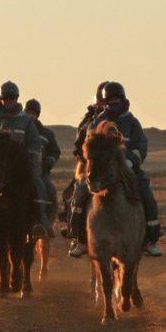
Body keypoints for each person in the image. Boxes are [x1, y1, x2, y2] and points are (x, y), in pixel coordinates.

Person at [70, 81, 163, 257]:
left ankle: (151, 239)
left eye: (116, 99)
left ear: (123, 100)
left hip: (127, 169)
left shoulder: (132, 122)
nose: (113, 103)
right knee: (80, 194)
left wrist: (131, 161)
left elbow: (141, 145)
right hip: (102, 169)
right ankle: (80, 239)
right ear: (104, 102)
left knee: (146, 194)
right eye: (109, 100)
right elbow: (87, 145)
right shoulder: (97, 121)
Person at [0, 81, 49, 240]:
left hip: (19, 168)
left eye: (12, 98)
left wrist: (30, 159)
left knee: (38, 184)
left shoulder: (25, 121)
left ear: (17, 98)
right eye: (6, 98)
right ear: (0, 99)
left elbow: (34, 142)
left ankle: (38, 222)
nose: (9, 101)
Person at [66, 82, 108, 256]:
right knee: (78, 195)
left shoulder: (123, 118)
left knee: (140, 191)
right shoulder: (89, 121)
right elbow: (78, 143)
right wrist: (86, 157)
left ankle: (146, 237)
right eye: (104, 100)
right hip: (91, 167)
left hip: (115, 167)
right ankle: (79, 238)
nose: (105, 104)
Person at [24, 98, 61, 236]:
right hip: (20, 171)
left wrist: (48, 163)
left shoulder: (47, 133)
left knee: (49, 190)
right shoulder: (21, 131)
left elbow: (55, 151)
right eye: (28, 112)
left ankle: (46, 223)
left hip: (40, 171)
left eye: (33, 113)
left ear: (37, 115)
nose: (30, 115)